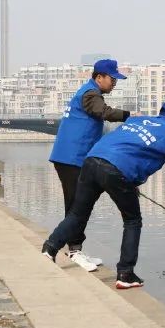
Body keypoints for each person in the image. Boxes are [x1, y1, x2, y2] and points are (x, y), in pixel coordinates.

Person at [42, 101, 165, 289]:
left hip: (92, 161)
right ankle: (125, 274)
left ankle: (49, 249)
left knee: (77, 213)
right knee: (132, 221)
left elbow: (127, 147)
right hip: (116, 170)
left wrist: (127, 181)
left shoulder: (138, 121)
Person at [48, 59, 133, 271]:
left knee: (81, 203)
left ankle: (75, 248)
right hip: (71, 158)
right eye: (112, 79)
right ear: (99, 77)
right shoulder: (90, 94)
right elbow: (103, 112)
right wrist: (129, 116)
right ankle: (71, 251)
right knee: (76, 205)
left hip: (75, 158)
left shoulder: (88, 92)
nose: (114, 83)